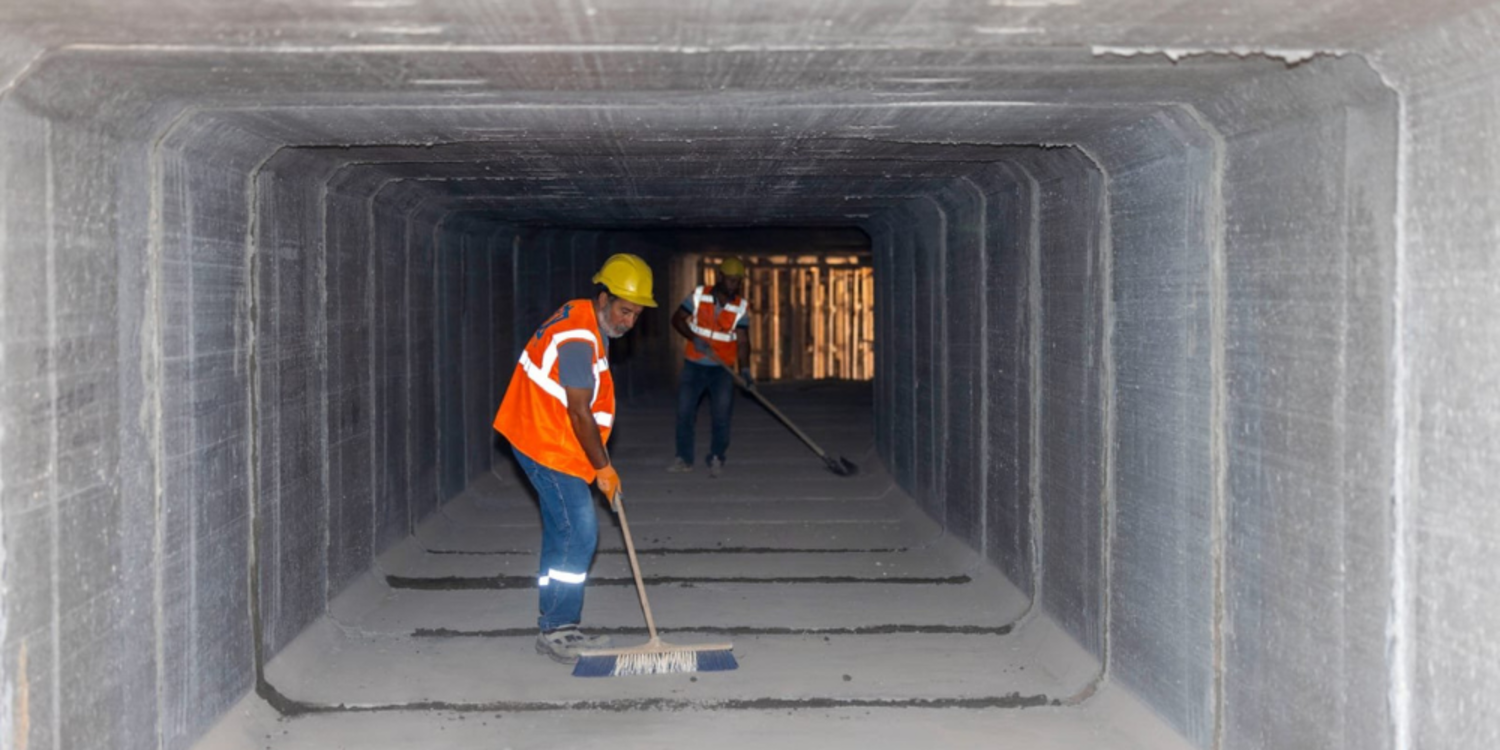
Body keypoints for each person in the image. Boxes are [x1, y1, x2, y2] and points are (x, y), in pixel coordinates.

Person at [492, 253, 657, 664]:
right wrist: (603, 468)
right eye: (624, 311)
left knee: (562, 532)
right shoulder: (579, 339)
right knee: (580, 531)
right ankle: (559, 630)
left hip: (550, 434)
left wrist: (598, 462)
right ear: (603, 299)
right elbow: (580, 411)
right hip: (543, 440)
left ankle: (553, 622)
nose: (629, 322)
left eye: (636, 315)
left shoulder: (584, 315)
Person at [667, 256, 752, 478]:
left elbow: (743, 341)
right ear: (720, 277)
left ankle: (716, 456)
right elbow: (677, 319)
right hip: (694, 365)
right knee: (685, 413)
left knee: (721, 416)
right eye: (731, 280)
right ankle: (684, 458)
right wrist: (693, 337)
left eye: (738, 281)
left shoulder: (740, 307)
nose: (734, 285)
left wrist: (745, 370)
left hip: (722, 370)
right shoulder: (698, 296)